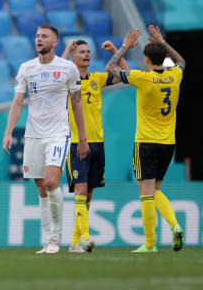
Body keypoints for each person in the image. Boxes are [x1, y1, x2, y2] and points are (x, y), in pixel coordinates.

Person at [2, 25, 89, 254]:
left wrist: (82, 138)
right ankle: (48, 239)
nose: (39, 39)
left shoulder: (68, 68)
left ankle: (55, 238)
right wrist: (8, 132)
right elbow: (17, 102)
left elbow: (77, 104)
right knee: (41, 188)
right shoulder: (26, 68)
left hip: (58, 134)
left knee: (51, 182)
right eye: (37, 36)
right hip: (33, 135)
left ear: (55, 42)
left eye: (44, 37)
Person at [105, 24, 185, 253]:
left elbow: (111, 68)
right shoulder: (174, 75)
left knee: (145, 192)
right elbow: (182, 61)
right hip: (168, 143)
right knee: (155, 189)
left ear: (147, 60)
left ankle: (150, 244)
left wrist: (123, 48)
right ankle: (175, 225)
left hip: (146, 142)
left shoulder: (144, 78)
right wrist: (163, 43)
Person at [60, 34, 135, 253]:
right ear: (72, 58)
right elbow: (56, 71)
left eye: (88, 52)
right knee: (81, 189)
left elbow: (127, 75)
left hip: (98, 144)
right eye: (81, 52)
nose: (86, 55)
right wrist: (66, 49)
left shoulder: (97, 78)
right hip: (75, 143)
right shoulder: (66, 81)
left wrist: (115, 52)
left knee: (88, 194)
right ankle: (86, 237)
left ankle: (74, 243)